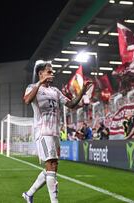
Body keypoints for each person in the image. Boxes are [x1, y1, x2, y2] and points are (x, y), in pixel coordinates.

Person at [22, 61, 90, 203]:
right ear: (41, 74)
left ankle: (29, 194)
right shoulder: (32, 87)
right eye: (49, 71)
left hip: (55, 133)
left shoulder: (55, 91)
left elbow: (71, 104)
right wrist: (39, 83)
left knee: (52, 168)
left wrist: (82, 91)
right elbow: (27, 100)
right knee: (51, 164)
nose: (52, 74)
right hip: (43, 132)